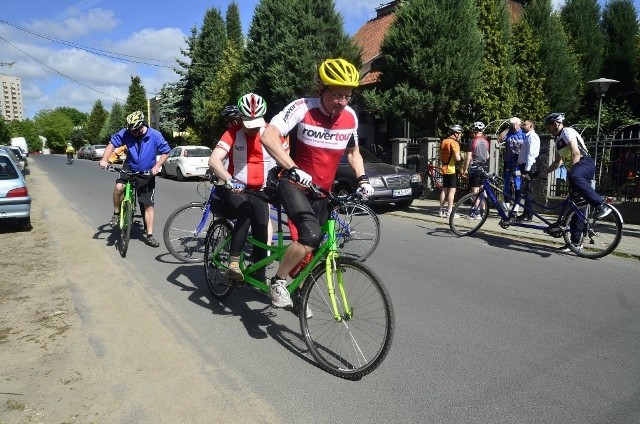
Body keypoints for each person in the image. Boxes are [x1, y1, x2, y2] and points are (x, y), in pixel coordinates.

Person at [259, 57, 374, 309]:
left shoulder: (350, 117)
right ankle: (277, 281)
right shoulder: (303, 108)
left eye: (348, 96)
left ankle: (300, 290)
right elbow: (268, 135)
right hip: (294, 184)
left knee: (316, 246)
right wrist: (293, 168)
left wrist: (362, 179)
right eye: (337, 95)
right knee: (309, 236)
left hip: (323, 191)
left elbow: (353, 153)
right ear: (322, 87)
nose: (342, 102)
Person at [208, 93, 286, 283]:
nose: (252, 129)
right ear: (240, 118)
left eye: (256, 124)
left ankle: (259, 276)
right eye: (247, 123)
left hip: (260, 190)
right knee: (246, 212)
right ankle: (233, 263)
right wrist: (228, 179)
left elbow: (284, 160)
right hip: (235, 188)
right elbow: (214, 160)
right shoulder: (232, 133)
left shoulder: (271, 133)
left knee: (261, 228)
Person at [538, 112, 611, 252]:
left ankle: (600, 205)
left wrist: (572, 175)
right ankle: (575, 243)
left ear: (556, 124)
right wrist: (544, 172)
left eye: (549, 126)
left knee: (577, 196)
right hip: (577, 169)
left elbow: (576, 153)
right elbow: (558, 162)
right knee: (576, 206)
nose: (548, 129)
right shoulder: (558, 140)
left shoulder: (567, 131)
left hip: (584, 164)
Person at [99, 111, 171, 248]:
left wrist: (157, 166)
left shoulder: (154, 135)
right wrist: (104, 160)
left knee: (147, 204)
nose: (131, 133)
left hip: (146, 172)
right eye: (130, 130)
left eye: (134, 130)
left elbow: (166, 151)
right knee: (119, 187)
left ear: (141, 127)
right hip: (129, 167)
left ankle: (149, 235)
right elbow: (111, 144)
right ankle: (116, 213)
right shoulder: (126, 132)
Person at [515, 119, 540, 221]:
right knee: (526, 191)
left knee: (527, 191)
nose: (522, 126)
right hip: (526, 166)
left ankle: (527, 214)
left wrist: (527, 170)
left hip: (528, 166)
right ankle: (527, 214)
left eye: (524, 124)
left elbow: (531, 154)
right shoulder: (528, 137)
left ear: (531, 126)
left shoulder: (532, 137)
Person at [439, 125, 463, 218]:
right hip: (451, 169)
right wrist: (461, 158)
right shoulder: (454, 143)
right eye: (460, 133)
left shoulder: (444, 141)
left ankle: (441, 211)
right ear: (456, 134)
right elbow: (457, 158)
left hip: (444, 168)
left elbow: (441, 157)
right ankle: (450, 212)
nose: (460, 136)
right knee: (452, 191)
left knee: (444, 190)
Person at [502, 117, 526, 211]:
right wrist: (507, 128)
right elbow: (500, 139)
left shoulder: (524, 134)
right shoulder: (509, 133)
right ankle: (506, 208)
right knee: (507, 184)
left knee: (517, 185)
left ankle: (516, 208)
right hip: (508, 162)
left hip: (519, 163)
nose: (513, 126)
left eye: (514, 124)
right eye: (511, 124)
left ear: (519, 124)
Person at [462, 121, 490, 194]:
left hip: (475, 168)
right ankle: (483, 206)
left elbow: (468, 157)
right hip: (484, 167)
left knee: (475, 191)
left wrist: (465, 170)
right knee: (482, 191)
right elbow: (487, 156)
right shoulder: (486, 141)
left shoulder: (472, 141)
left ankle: (476, 205)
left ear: (475, 130)